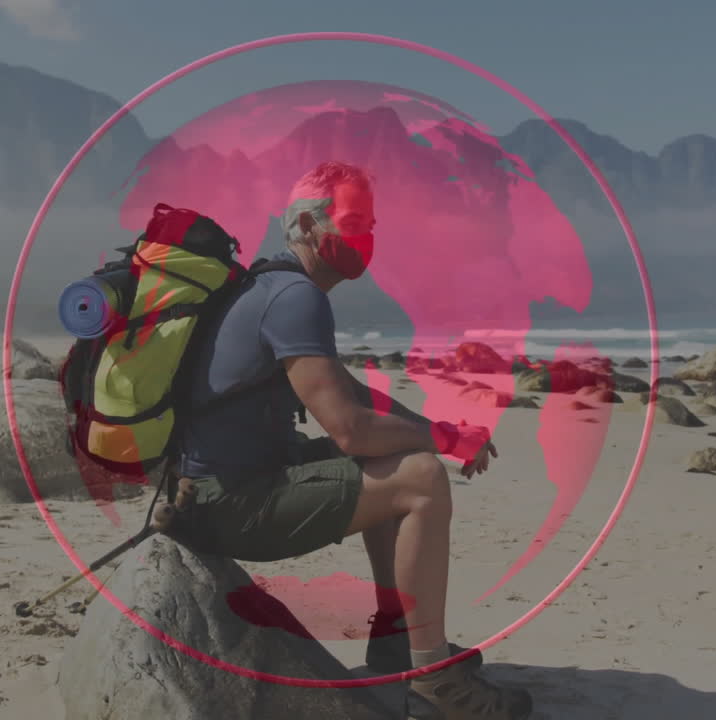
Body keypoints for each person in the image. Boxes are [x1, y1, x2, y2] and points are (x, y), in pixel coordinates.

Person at [177, 160, 533, 720]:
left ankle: (397, 642)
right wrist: (442, 441)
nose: (365, 237)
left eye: (369, 224)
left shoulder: (273, 285)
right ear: (306, 225)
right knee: (421, 478)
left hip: (219, 489)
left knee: (401, 454)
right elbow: (348, 427)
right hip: (228, 503)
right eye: (352, 223)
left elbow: (351, 394)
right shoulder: (295, 297)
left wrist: (449, 432)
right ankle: (432, 681)